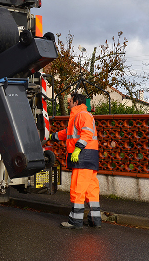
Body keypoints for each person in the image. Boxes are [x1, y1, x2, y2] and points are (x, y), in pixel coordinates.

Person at [49, 93, 101, 229]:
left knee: (77, 189)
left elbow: (87, 133)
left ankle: (75, 221)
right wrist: (53, 136)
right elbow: (68, 132)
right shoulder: (81, 115)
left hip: (82, 157)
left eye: (70, 101)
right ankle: (95, 220)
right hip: (90, 157)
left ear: (76, 102)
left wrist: (77, 149)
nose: (68, 103)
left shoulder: (82, 115)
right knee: (91, 190)